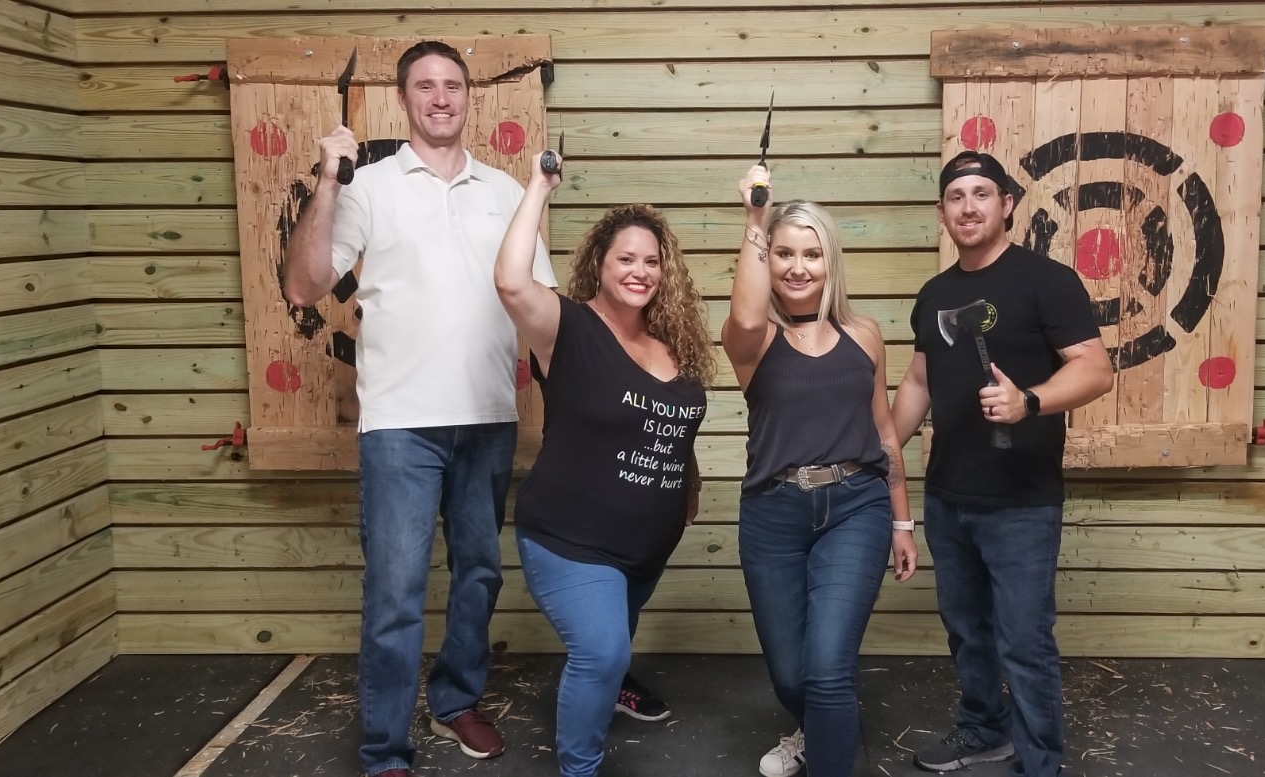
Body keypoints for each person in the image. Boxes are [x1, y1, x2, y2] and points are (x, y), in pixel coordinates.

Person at [281, 41, 557, 777]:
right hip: (400, 426)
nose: (441, 97)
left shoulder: (505, 192)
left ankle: (456, 696)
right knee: (397, 593)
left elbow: (544, 312)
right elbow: (306, 286)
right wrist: (330, 179)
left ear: (470, 97)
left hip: (489, 418)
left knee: (478, 574)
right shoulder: (368, 186)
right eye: (425, 86)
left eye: (452, 85)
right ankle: (385, 750)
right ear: (404, 100)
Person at [890, 151, 1114, 776]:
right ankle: (984, 729)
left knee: (1026, 643)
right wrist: (879, 445)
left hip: (1022, 501)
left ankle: (1040, 764)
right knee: (967, 631)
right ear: (942, 212)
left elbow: (1096, 369)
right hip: (948, 495)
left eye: (981, 193)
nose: (968, 206)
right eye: (956, 196)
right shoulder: (935, 294)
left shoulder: (1047, 280)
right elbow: (918, 381)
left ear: (1007, 203)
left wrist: (1030, 401)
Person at [493, 144, 713, 777]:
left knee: (611, 645)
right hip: (571, 539)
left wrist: (687, 485)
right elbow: (510, 280)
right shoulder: (567, 326)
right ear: (601, 263)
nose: (639, 271)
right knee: (601, 649)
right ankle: (580, 769)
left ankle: (611, 684)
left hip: (645, 547)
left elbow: (672, 428)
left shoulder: (670, 344)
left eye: (652, 262)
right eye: (626, 259)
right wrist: (539, 186)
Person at [721, 166, 920, 777]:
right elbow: (750, 318)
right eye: (784, 253)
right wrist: (756, 222)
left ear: (830, 261)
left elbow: (885, 431)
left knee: (830, 667)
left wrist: (902, 520)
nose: (797, 267)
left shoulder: (864, 334)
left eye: (811, 253)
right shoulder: (749, 342)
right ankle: (812, 730)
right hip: (773, 513)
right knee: (791, 670)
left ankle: (828, 747)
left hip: (855, 505)